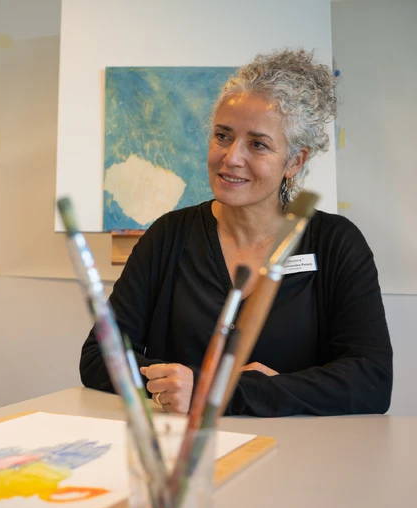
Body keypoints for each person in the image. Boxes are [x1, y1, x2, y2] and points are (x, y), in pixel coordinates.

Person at [80, 49, 392, 416]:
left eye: (258, 144)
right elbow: (100, 355)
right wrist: (183, 386)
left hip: (299, 446)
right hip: (182, 445)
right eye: (223, 136)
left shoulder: (335, 243)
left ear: (295, 161)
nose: (231, 158)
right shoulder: (168, 236)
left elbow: (371, 380)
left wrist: (219, 390)